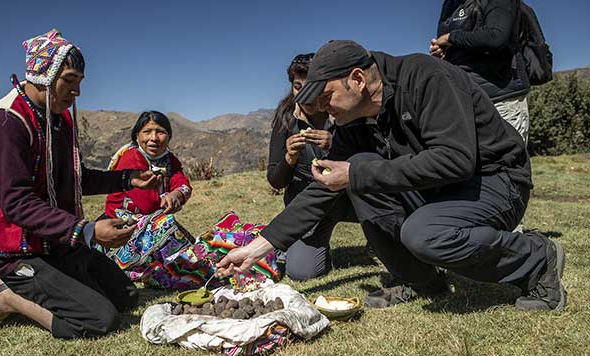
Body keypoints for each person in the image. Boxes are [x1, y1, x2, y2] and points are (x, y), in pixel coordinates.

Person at [217, 40, 567, 312]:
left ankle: (536, 260)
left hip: (495, 180)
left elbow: (456, 160)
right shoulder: (351, 123)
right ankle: (421, 281)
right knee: (363, 175)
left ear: (357, 79)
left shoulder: (427, 77)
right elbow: (322, 188)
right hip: (438, 189)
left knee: (419, 230)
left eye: (326, 98)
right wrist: (259, 247)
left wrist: (359, 173)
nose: (323, 110)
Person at [0, 29, 161, 339]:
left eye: (79, 83)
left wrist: (128, 179)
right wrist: (87, 231)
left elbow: (73, 178)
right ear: (42, 75)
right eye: (69, 81)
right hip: (21, 251)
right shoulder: (6, 123)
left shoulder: (57, 118)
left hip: (57, 243)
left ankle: (56, 284)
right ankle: (7, 296)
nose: (77, 93)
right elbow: (16, 203)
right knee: (98, 319)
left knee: (126, 296)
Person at [427, 0, 530, 145]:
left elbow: (496, 36)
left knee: (507, 168)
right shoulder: (451, 2)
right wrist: (443, 50)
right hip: (466, 101)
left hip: (501, 98)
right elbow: (460, 43)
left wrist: (452, 37)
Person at [267, 53, 355, 280]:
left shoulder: (344, 110)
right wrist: (290, 158)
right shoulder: (285, 119)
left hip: (349, 198)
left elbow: (369, 158)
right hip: (309, 206)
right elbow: (275, 180)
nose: (304, 95)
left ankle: (382, 239)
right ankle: (308, 247)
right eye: (298, 87)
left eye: (312, 87)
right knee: (301, 272)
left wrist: (335, 143)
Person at [104, 111, 192, 219]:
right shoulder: (131, 158)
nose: (154, 138)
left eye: (160, 132)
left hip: (152, 218)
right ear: (137, 136)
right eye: (147, 132)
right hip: (121, 222)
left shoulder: (169, 159)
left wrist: (177, 194)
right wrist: (169, 200)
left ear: (169, 137)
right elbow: (147, 205)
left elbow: (181, 181)